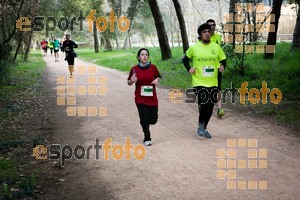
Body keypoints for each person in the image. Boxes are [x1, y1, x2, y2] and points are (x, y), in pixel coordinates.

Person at [182, 23, 226, 138]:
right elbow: (185, 59)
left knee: (210, 107)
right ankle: (201, 126)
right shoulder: (194, 47)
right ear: (200, 34)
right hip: (199, 82)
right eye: (204, 32)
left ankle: (203, 127)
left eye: (208, 32)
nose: (207, 34)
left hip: (213, 82)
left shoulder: (216, 47)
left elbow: (223, 60)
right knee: (205, 103)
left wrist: (222, 67)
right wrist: (189, 69)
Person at [127, 48, 161, 146]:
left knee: (153, 120)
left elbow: (158, 76)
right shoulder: (134, 69)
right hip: (140, 98)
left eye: (146, 54)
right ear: (138, 57)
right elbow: (129, 83)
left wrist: (157, 80)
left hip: (152, 98)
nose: (144, 56)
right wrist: (132, 81)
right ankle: (147, 137)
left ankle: (146, 123)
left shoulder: (153, 67)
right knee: (144, 118)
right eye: (142, 54)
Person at [206, 19, 225, 117]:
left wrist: (222, 65)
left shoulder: (218, 37)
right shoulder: (202, 38)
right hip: (206, 67)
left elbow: (219, 52)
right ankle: (206, 105)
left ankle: (219, 108)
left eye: (213, 25)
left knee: (218, 87)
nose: (212, 27)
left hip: (217, 66)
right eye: (210, 25)